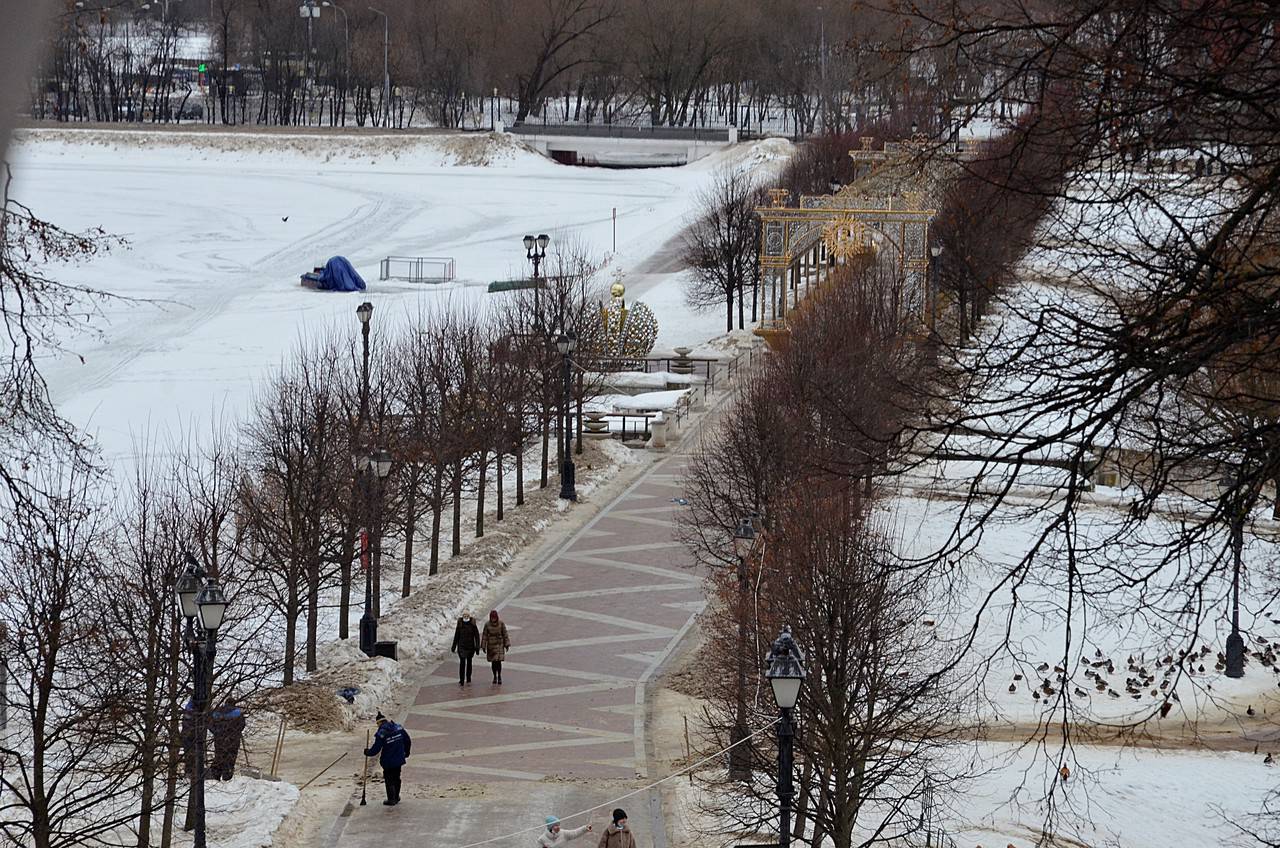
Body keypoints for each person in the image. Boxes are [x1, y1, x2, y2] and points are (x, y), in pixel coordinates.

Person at [363, 711, 412, 806]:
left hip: (388, 761)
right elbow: (407, 740)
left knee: (389, 779)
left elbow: (376, 749)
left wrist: (367, 752)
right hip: (398, 759)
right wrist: (406, 752)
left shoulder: (381, 733)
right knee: (397, 777)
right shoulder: (398, 727)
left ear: (379, 723)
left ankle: (391, 799)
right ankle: (396, 797)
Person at [209, 697, 246, 781]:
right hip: (233, 740)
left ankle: (215, 775)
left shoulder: (217, 712)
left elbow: (210, 724)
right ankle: (227, 776)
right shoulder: (238, 713)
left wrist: (217, 732)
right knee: (231, 756)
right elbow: (242, 725)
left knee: (219, 755)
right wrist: (235, 732)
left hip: (219, 739)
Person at [480, 609, 510, 684]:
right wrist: (483, 646)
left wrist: (507, 644)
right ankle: (494, 676)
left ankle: (499, 675)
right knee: (493, 663)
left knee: (498, 662)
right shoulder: (487, 625)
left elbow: (505, 634)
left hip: (499, 644)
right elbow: (484, 636)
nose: (493, 619)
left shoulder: (501, 624)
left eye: (494, 617)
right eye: (492, 617)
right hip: (491, 646)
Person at [451, 611, 481, 686]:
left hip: (470, 647)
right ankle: (461, 679)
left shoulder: (473, 625)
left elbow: (477, 636)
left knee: (469, 662)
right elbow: (456, 636)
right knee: (462, 663)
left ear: (469, 616)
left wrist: (477, 647)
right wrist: (454, 646)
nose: (466, 617)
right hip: (461, 647)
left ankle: (468, 677)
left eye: (467, 615)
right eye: (464, 615)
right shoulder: (460, 624)